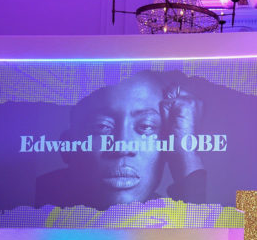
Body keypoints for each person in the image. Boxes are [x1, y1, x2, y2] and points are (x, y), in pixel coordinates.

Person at [35, 70, 206, 210]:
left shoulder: (171, 220)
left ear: (167, 147)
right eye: (102, 126)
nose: (122, 147)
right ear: (67, 147)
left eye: (146, 126)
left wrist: (188, 157)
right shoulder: (26, 216)